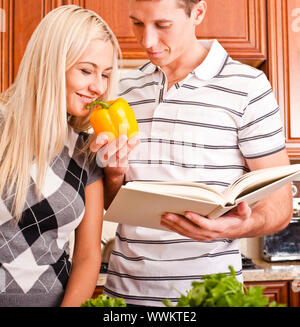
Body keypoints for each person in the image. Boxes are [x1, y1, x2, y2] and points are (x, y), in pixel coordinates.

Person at [91, 0, 293, 307]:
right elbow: (112, 202)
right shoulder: (122, 89)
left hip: (209, 296)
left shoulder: (248, 86)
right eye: (137, 23)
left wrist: (239, 227)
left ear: (197, 13)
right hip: (125, 295)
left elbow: (281, 205)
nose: (146, 41)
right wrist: (115, 174)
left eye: (162, 25)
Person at [0, 5, 120, 307]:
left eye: (105, 74)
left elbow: (87, 256)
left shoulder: (86, 151)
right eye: (86, 70)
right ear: (51, 63)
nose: (98, 87)